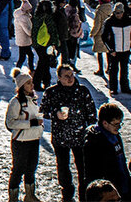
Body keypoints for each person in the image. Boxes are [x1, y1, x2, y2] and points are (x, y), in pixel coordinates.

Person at [41, 65, 97, 202]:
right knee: (63, 168)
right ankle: (67, 194)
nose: (70, 78)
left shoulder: (82, 91)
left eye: (72, 75)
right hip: (60, 138)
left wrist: (91, 132)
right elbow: (43, 110)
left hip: (80, 137)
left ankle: (84, 195)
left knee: (83, 169)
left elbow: (91, 113)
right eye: (66, 76)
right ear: (59, 77)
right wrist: (55, 113)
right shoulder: (51, 92)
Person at [5, 70, 44, 202]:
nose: (32, 85)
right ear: (21, 86)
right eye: (28, 83)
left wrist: (40, 125)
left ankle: (30, 195)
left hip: (34, 139)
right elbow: (10, 123)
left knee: (31, 168)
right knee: (18, 169)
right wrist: (31, 123)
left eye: (31, 82)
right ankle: (13, 197)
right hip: (21, 141)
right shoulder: (16, 102)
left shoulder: (33, 100)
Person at [83, 103, 131, 201]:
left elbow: (122, 162)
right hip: (108, 192)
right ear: (105, 123)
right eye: (115, 124)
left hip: (122, 186)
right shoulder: (94, 142)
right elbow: (92, 172)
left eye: (120, 123)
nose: (119, 127)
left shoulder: (115, 136)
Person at [101, 4, 131, 95]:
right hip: (114, 51)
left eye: (120, 13)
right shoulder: (109, 22)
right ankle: (113, 88)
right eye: (116, 13)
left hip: (125, 49)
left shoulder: (129, 20)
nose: (118, 15)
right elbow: (104, 37)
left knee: (124, 70)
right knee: (113, 70)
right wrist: (110, 50)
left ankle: (125, 87)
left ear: (123, 12)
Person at [32, 0, 60, 90]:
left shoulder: (36, 17)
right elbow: (52, 31)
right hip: (47, 43)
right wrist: (55, 43)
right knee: (44, 62)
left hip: (37, 43)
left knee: (44, 61)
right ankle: (38, 82)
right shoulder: (48, 18)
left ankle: (45, 81)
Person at [91, 0, 114, 77]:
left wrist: (93, 33)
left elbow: (97, 24)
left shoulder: (99, 11)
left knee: (100, 52)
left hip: (100, 33)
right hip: (109, 33)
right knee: (108, 51)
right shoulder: (111, 9)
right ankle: (109, 68)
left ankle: (101, 69)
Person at [13, 0, 35, 69]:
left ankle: (19, 69)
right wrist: (33, 33)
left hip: (22, 40)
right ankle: (30, 69)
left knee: (24, 56)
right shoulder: (23, 18)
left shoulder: (21, 16)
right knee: (26, 56)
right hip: (24, 40)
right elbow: (28, 31)